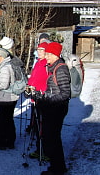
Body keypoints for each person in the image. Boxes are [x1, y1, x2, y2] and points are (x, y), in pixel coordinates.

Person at [32, 42, 70, 175]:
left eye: (48, 54)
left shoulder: (60, 69)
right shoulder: (53, 67)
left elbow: (65, 94)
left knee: (53, 139)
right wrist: (41, 96)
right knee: (51, 138)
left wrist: (46, 100)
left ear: (54, 54)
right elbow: (53, 90)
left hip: (57, 109)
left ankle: (57, 168)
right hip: (52, 107)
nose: (46, 57)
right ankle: (57, 167)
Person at [26, 41, 51, 161]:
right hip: (34, 97)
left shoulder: (48, 64)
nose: (39, 52)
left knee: (42, 126)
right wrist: (28, 86)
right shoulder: (38, 62)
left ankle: (44, 151)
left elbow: (49, 81)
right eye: (38, 50)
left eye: (42, 50)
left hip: (42, 98)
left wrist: (42, 92)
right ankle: (38, 148)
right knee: (36, 125)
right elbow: (33, 77)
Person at [0, 48, 19, 150]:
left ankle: (2, 142)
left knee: (4, 120)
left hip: (6, 97)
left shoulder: (5, 68)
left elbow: (3, 84)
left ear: (3, 57)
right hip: (11, 96)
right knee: (8, 119)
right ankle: (10, 141)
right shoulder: (9, 65)